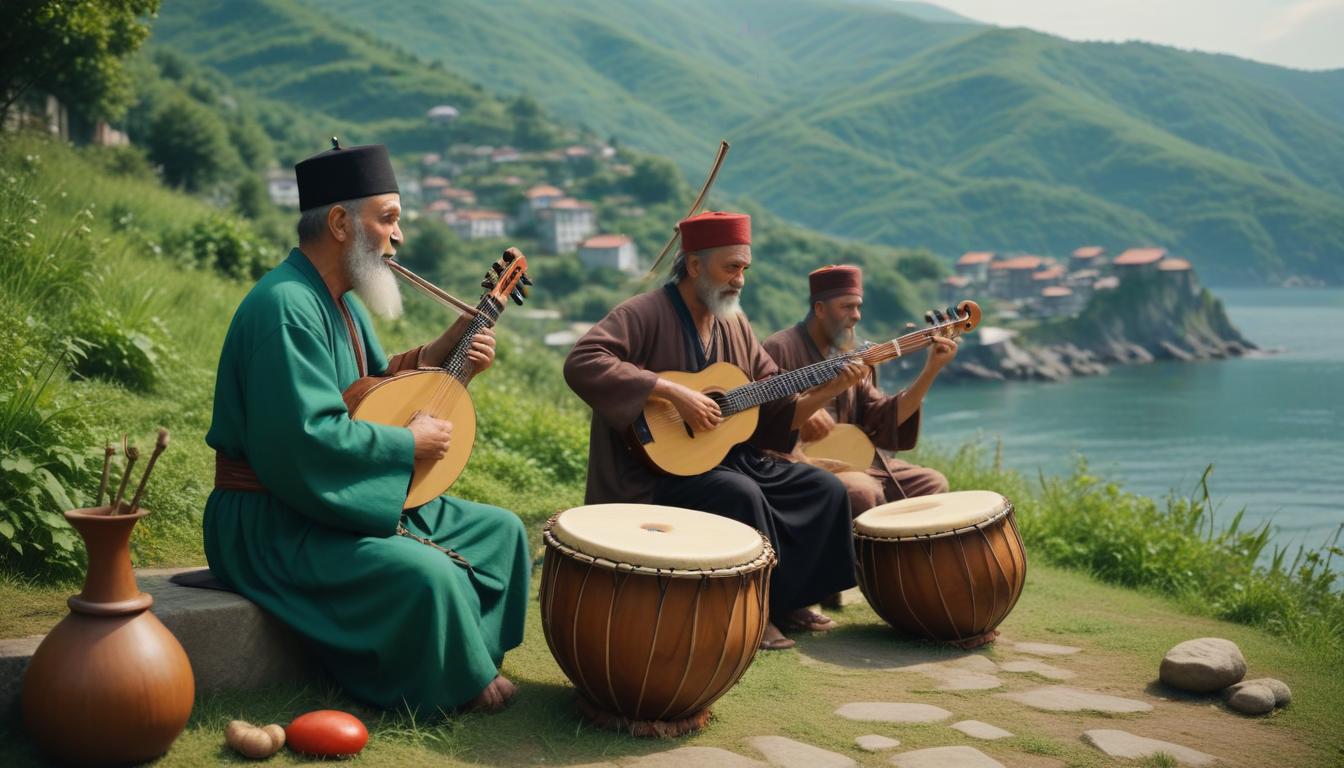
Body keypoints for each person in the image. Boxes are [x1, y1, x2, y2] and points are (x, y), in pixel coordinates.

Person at [203, 140, 529, 715]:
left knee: (503, 532)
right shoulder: (285, 306)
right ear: (338, 222)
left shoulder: (340, 302)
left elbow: (374, 391)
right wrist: (410, 442)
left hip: (333, 496)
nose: (398, 236)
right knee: (427, 575)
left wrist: (448, 347)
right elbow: (306, 440)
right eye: (388, 219)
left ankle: (466, 660)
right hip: (272, 519)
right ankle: (452, 678)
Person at [563, 211, 867, 650]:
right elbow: (584, 361)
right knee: (740, 494)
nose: (739, 280)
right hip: (652, 472)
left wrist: (828, 388)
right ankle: (752, 613)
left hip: (724, 457)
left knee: (822, 488)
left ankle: (791, 600)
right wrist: (671, 392)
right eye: (731, 268)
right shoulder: (643, 312)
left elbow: (773, 393)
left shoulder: (735, 322)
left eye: (744, 269)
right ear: (694, 266)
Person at [762, 264, 956, 520]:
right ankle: (863, 561)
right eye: (847, 307)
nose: (856, 316)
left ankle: (909, 560)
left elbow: (884, 417)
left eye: (858, 307)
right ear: (819, 309)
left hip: (857, 461)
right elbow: (766, 418)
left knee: (932, 483)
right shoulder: (780, 347)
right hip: (799, 465)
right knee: (861, 490)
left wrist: (932, 368)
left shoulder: (850, 354)